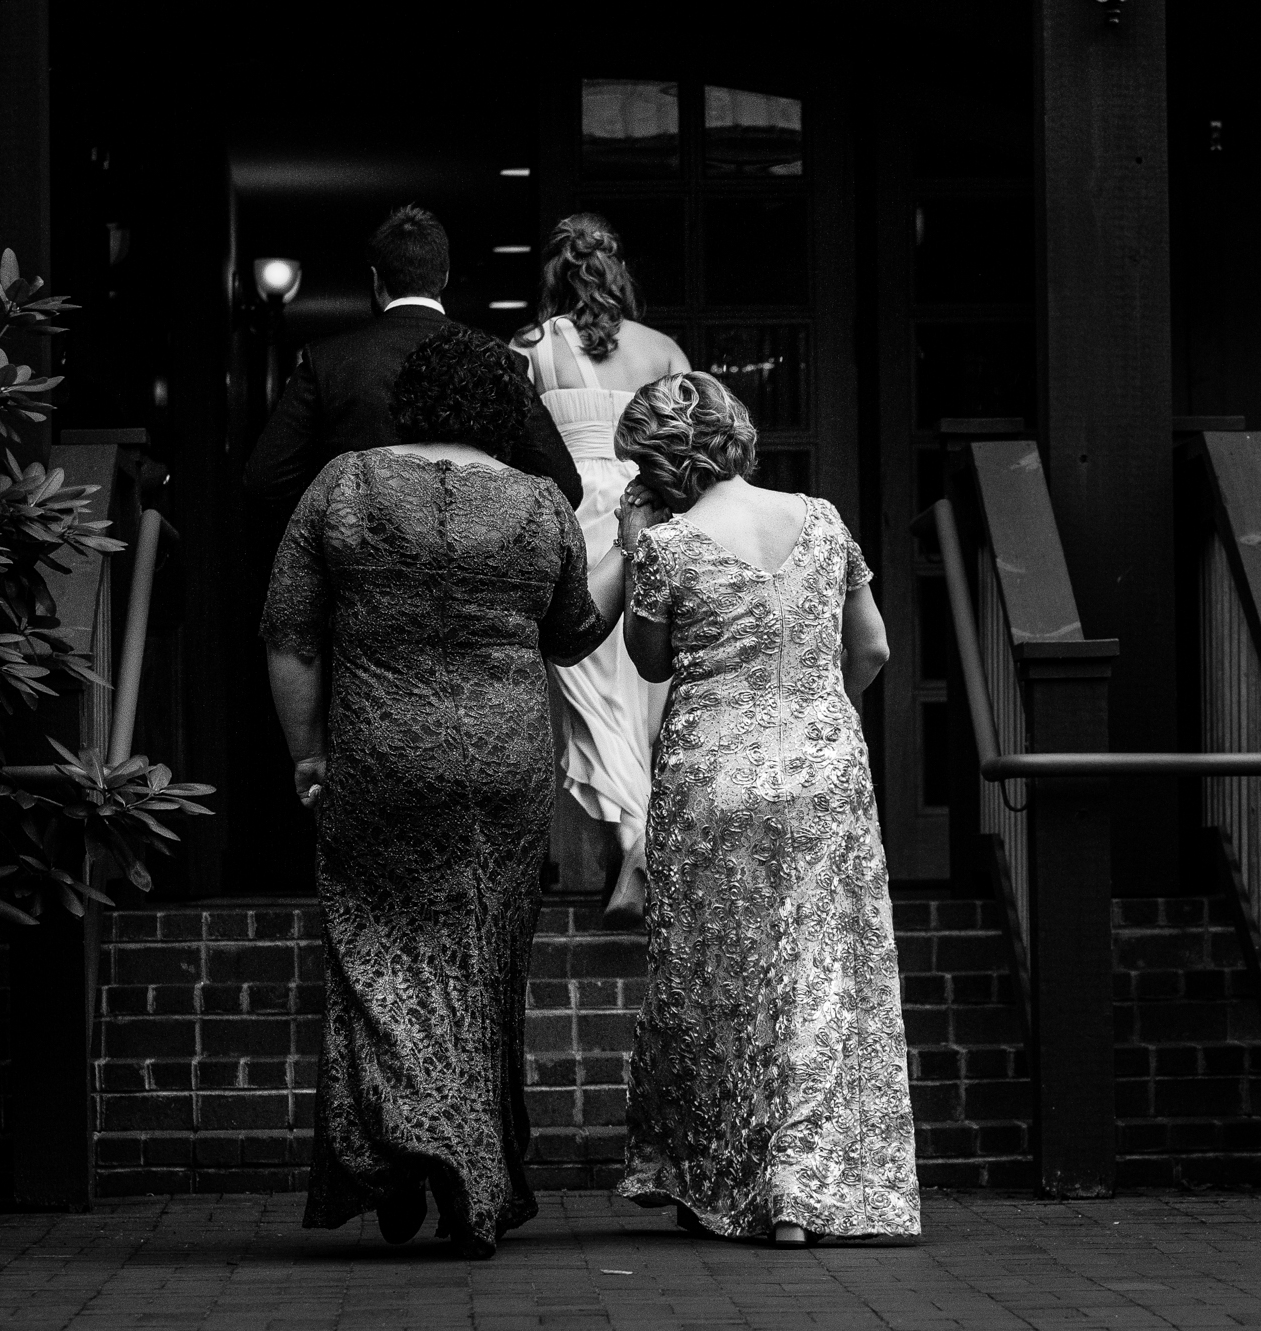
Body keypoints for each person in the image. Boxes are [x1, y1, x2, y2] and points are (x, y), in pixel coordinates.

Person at [260, 325, 622, 1259]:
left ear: (416, 398)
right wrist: (631, 542)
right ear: (503, 408)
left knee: (377, 949)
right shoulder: (539, 502)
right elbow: (574, 634)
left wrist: (307, 750)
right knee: (486, 957)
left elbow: (291, 635)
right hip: (504, 764)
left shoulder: (343, 484)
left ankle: (414, 1151)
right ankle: (471, 1166)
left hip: (381, 748)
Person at [608, 372, 921, 1246]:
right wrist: (821, 712)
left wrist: (635, 545)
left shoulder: (669, 547)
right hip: (824, 770)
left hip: (715, 772)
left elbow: (648, 659)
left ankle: (725, 1178)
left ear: (662, 463)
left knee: (718, 977)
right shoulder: (820, 519)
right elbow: (874, 646)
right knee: (820, 974)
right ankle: (806, 1188)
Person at [510, 213, 689, 928]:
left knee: (591, 696)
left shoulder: (526, 350)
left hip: (570, 529)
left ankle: (635, 837)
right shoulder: (663, 349)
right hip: (643, 522)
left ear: (552, 274)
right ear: (616, 270)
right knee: (641, 695)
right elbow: (688, 446)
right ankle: (641, 846)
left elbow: (510, 448)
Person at [245, 203, 582, 519]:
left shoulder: (328, 361)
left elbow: (265, 480)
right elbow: (563, 485)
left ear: (377, 279)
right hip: (467, 562)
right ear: (445, 276)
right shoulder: (499, 360)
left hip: (357, 563)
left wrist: (335, 518)